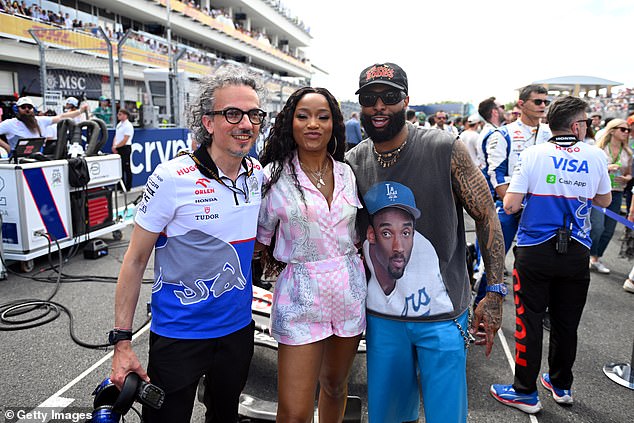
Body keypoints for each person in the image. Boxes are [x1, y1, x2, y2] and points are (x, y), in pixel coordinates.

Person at [346, 62, 505, 423]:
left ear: (406, 100)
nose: (379, 106)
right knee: (388, 418)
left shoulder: (445, 147)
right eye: (370, 98)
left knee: (446, 417)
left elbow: (486, 216)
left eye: (390, 97)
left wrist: (494, 292)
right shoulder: (354, 161)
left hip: (443, 314)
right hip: (383, 316)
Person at [110, 68, 266, 422]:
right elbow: (134, 261)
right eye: (233, 114)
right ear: (208, 122)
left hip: (238, 330)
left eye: (254, 115)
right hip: (179, 334)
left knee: (225, 416)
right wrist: (121, 343)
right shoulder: (171, 178)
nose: (246, 124)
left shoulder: (257, 173)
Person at [490, 96, 612, 414]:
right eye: (586, 121)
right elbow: (605, 201)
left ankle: (525, 391)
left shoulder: (533, 155)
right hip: (577, 251)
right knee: (565, 323)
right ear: (576, 125)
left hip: (534, 250)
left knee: (529, 321)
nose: (588, 126)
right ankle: (561, 385)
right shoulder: (596, 155)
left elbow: (510, 205)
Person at [256, 86, 366, 422]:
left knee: (335, 386)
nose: (313, 124)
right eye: (303, 116)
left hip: (348, 294)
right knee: (294, 411)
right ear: (290, 122)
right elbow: (258, 242)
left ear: (334, 124)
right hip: (299, 296)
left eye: (322, 116)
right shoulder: (271, 176)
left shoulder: (347, 173)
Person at [588, 118, 632, 274]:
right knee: (597, 227)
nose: (626, 132)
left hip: (617, 192)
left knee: (609, 230)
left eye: (628, 130)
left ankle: (596, 258)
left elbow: (629, 174)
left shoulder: (628, 152)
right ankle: (587, 254)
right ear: (612, 130)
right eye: (623, 129)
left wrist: (627, 178)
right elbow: (590, 170)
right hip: (599, 192)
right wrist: (607, 168)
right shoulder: (599, 149)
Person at [0, 96, 88, 155]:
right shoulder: (10, 123)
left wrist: (80, 111)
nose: (27, 109)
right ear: (17, 109)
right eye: (23, 107)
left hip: (37, 158)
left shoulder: (39, 120)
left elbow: (61, 117)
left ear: (33, 109)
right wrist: (6, 147)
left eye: (29, 107)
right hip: (17, 160)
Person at [111, 108, 135, 190]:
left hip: (125, 148)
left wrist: (116, 146)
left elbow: (125, 139)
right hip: (119, 147)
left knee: (126, 167)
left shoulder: (128, 126)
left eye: (120, 114)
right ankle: (120, 186)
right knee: (119, 167)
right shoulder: (119, 124)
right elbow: (116, 136)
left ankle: (128, 187)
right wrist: (114, 145)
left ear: (125, 115)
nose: (118, 116)